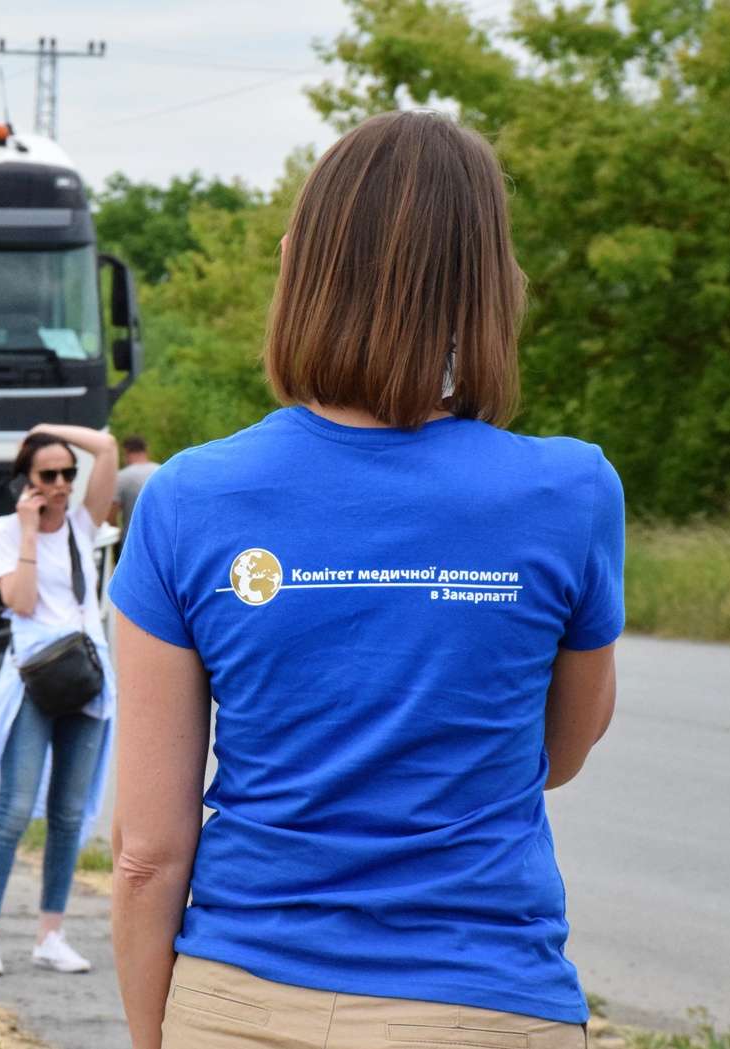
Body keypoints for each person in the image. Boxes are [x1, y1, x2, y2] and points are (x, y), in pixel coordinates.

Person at [108, 110, 623, 1049]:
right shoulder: (569, 491)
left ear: (296, 262)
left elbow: (145, 854)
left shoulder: (188, 499)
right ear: (492, 285)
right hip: (483, 1006)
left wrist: (157, 1034)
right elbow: (558, 752)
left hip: (240, 1000)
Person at [0, 422, 119, 977]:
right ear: (27, 480)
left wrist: (45, 429)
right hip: (33, 680)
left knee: (68, 816)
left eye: (69, 473)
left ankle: (51, 934)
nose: (63, 484)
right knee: (15, 811)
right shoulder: (4, 529)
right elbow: (20, 603)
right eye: (50, 475)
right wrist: (26, 532)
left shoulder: (82, 522)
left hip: (86, 680)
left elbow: (108, 448)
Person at [111, 435, 159, 552]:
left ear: (126, 452)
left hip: (134, 545)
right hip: (163, 543)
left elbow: (111, 515)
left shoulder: (121, 477)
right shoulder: (162, 471)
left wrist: (116, 536)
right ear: (146, 450)